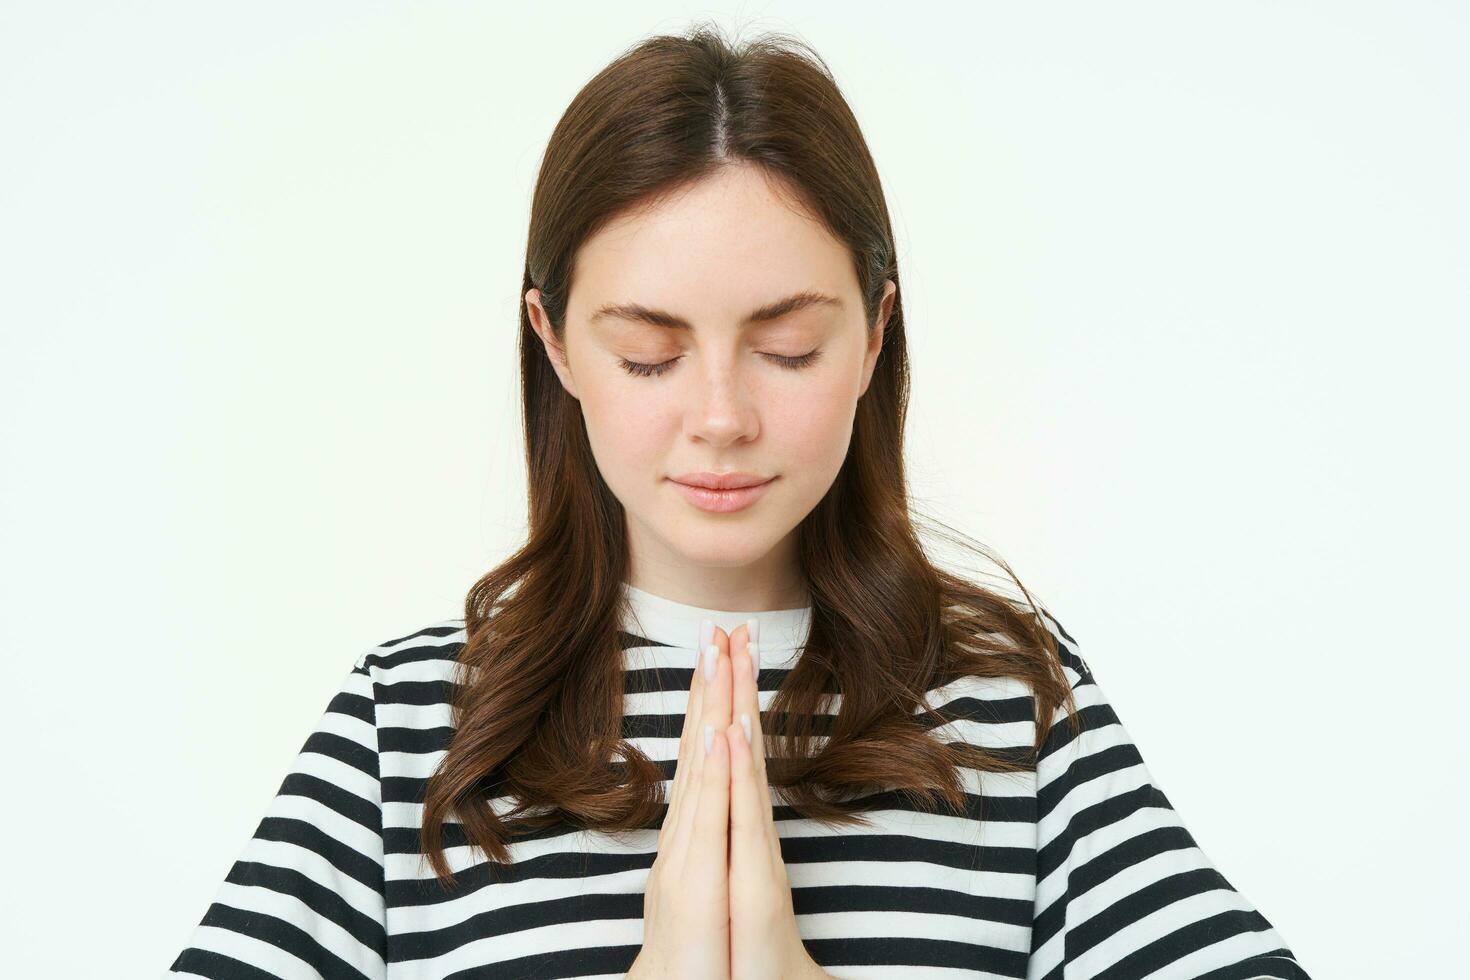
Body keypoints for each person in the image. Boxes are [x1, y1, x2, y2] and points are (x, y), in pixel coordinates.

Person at [167, 23, 1310, 980]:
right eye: (651, 356)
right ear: (555, 344)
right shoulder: (409, 728)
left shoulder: (1009, 698)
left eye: (789, 347)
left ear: (873, 336)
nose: (720, 416)